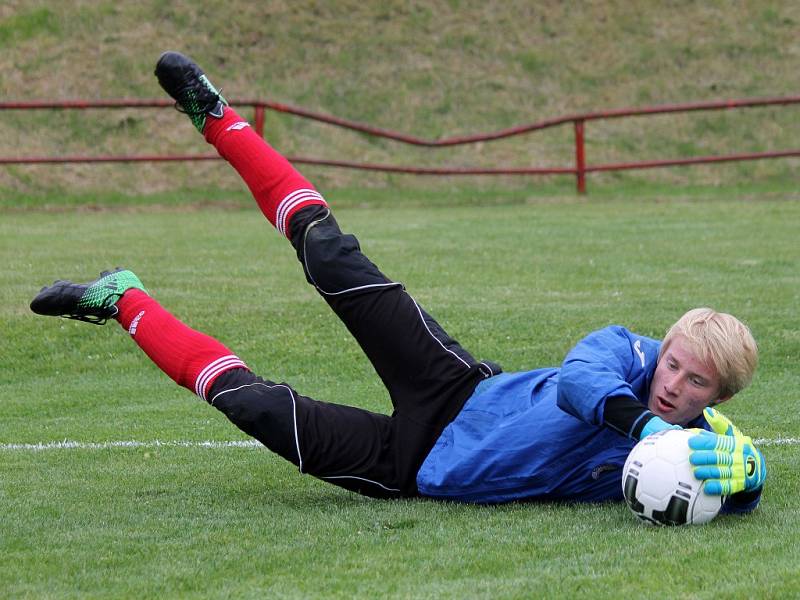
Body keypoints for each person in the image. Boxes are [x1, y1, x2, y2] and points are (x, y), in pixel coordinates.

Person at [30, 52, 766, 514]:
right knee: (330, 257)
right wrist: (641, 425)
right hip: (454, 388)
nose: (675, 384)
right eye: (676, 363)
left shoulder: (691, 447)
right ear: (663, 347)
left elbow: (723, 479)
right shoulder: (629, 358)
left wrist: (751, 478)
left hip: (410, 469)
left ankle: (120, 298)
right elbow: (579, 382)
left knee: (251, 407)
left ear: (717, 398)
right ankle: (220, 119)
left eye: (697, 383)